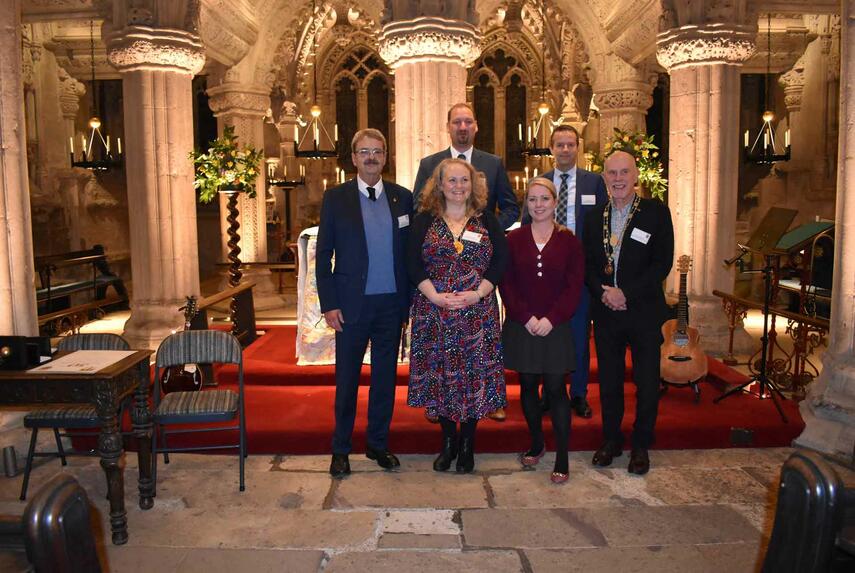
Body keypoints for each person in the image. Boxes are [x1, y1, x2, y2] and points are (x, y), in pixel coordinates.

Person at [316, 128, 414, 479]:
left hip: (391, 305)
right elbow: (323, 255)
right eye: (364, 152)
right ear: (354, 158)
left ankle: (377, 443)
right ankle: (340, 448)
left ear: (386, 157)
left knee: (385, 380)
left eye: (377, 151)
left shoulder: (403, 199)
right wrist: (329, 303)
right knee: (347, 381)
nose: (371, 157)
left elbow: (410, 255)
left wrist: (410, 302)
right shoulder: (336, 198)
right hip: (351, 306)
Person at [407, 158, 508, 473]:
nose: (458, 186)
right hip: (434, 312)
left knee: (474, 378)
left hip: (477, 313)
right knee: (442, 378)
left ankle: (468, 444)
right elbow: (411, 261)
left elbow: (501, 261)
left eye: (464, 180)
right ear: (439, 184)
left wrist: (479, 292)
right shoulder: (424, 220)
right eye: (451, 181)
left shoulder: (487, 220)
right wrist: (434, 294)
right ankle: (448, 440)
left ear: (473, 184)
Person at [581, 151, 674, 475]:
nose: (618, 179)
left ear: (636, 176)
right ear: (604, 177)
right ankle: (611, 441)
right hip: (607, 312)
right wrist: (604, 293)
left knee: (647, 383)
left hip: (644, 312)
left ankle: (640, 445)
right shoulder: (594, 217)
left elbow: (662, 263)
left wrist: (627, 293)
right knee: (609, 382)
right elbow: (587, 265)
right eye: (612, 173)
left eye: (624, 172)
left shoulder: (656, 213)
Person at [500, 177, 584, 484]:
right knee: (527, 385)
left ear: (554, 202)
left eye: (544, 199)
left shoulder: (569, 241)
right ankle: (537, 441)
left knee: (555, 390)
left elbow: (574, 287)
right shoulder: (513, 240)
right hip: (523, 325)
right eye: (532, 199)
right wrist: (525, 317)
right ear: (527, 204)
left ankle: (562, 454)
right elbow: (506, 284)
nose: (538, 205)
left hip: (556, 327)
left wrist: (550, 319)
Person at [522, 125, 608, 419]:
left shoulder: (593, 183)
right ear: (551, 148)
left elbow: (601, 227)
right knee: (548, 332)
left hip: (580, 274)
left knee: (579, 335)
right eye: (560, 145)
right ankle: (550, 392)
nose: (566, 150)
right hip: (544, 275)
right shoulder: (540, 183)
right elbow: (525, 226)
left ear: (578, 146)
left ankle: (579, 393)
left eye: (571, 144)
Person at [413, 103, 520, 230]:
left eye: (468, 122)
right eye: (457, 122)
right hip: (440, 245)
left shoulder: (493, 164)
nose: (463, 127)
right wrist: (439, 233)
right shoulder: (429, 165)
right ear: (448, 127)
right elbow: (417, 208)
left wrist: (489, 230)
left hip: (483, 244)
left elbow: (511, 208)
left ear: (476, 126)